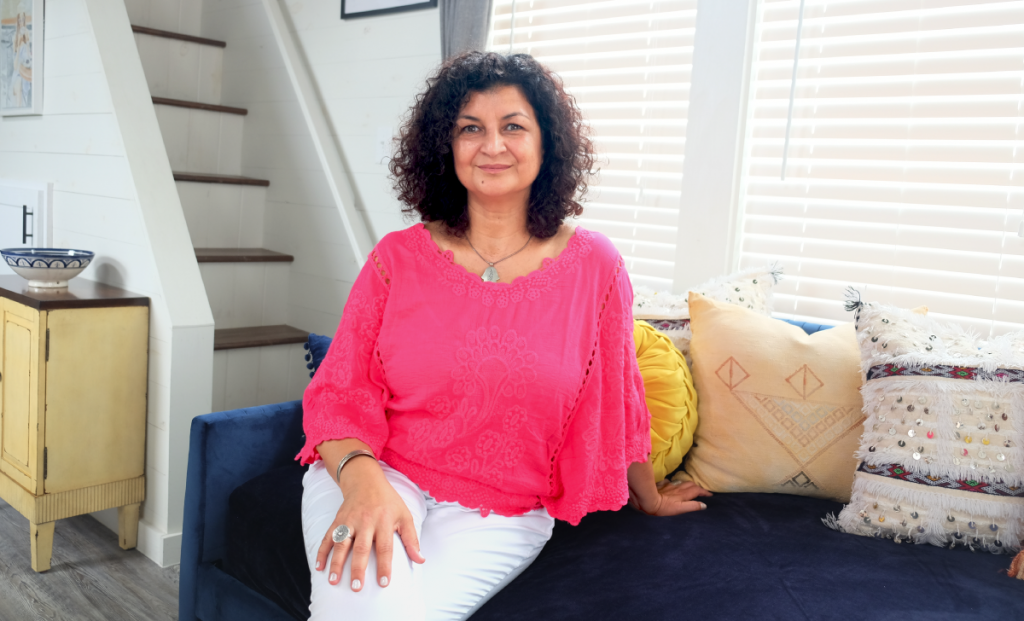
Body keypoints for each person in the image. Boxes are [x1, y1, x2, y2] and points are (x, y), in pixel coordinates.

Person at [297, 51, 711, 621]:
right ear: (447, 146)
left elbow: (617, 398)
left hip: (506, 513)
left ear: (547, 145)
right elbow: (340, 391)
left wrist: (650, 495)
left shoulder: (596, 265)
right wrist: (361, 481)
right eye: (471, 128)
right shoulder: (397, 258)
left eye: (513, 126)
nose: (492, 145)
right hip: (373, 472)